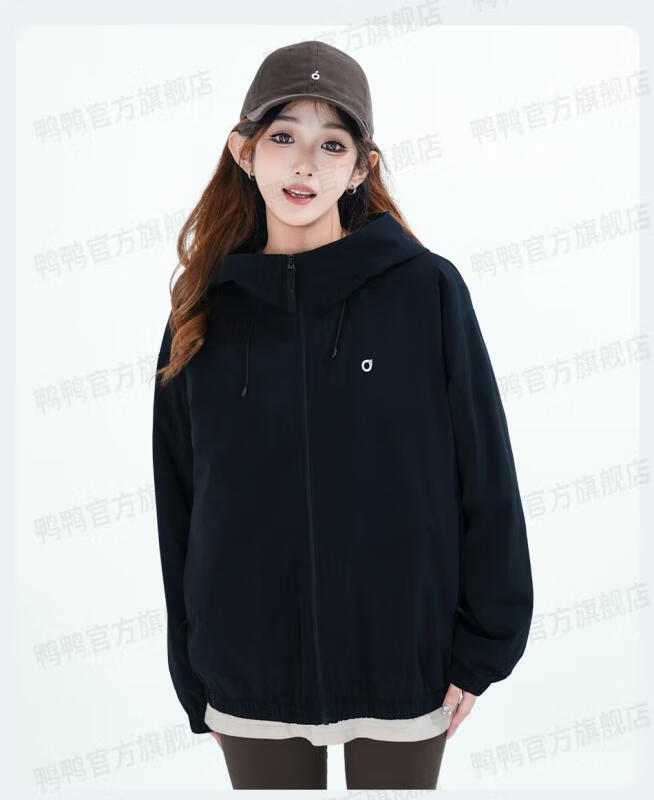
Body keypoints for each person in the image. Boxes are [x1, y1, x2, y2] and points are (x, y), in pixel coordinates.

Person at [151, 39, 534, 790]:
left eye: (332, 144)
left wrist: (482, 648)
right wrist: (192, 665)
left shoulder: (425, 292)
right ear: (243, 150)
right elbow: (181, 502)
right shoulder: (203, 314)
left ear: (362, 167)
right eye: (282, 136)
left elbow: (486, 474)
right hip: (248, 665)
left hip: (404, 659)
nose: (305, 165)